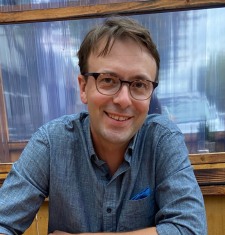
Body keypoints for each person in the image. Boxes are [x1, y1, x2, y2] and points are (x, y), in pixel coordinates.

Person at [0, 17, 207, 235]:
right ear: (83, 88)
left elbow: (192, 229)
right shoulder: (51, 142)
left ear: (150, 94)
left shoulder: (162, 139)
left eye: (138, 84)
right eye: (108, 80)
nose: (124, 100)